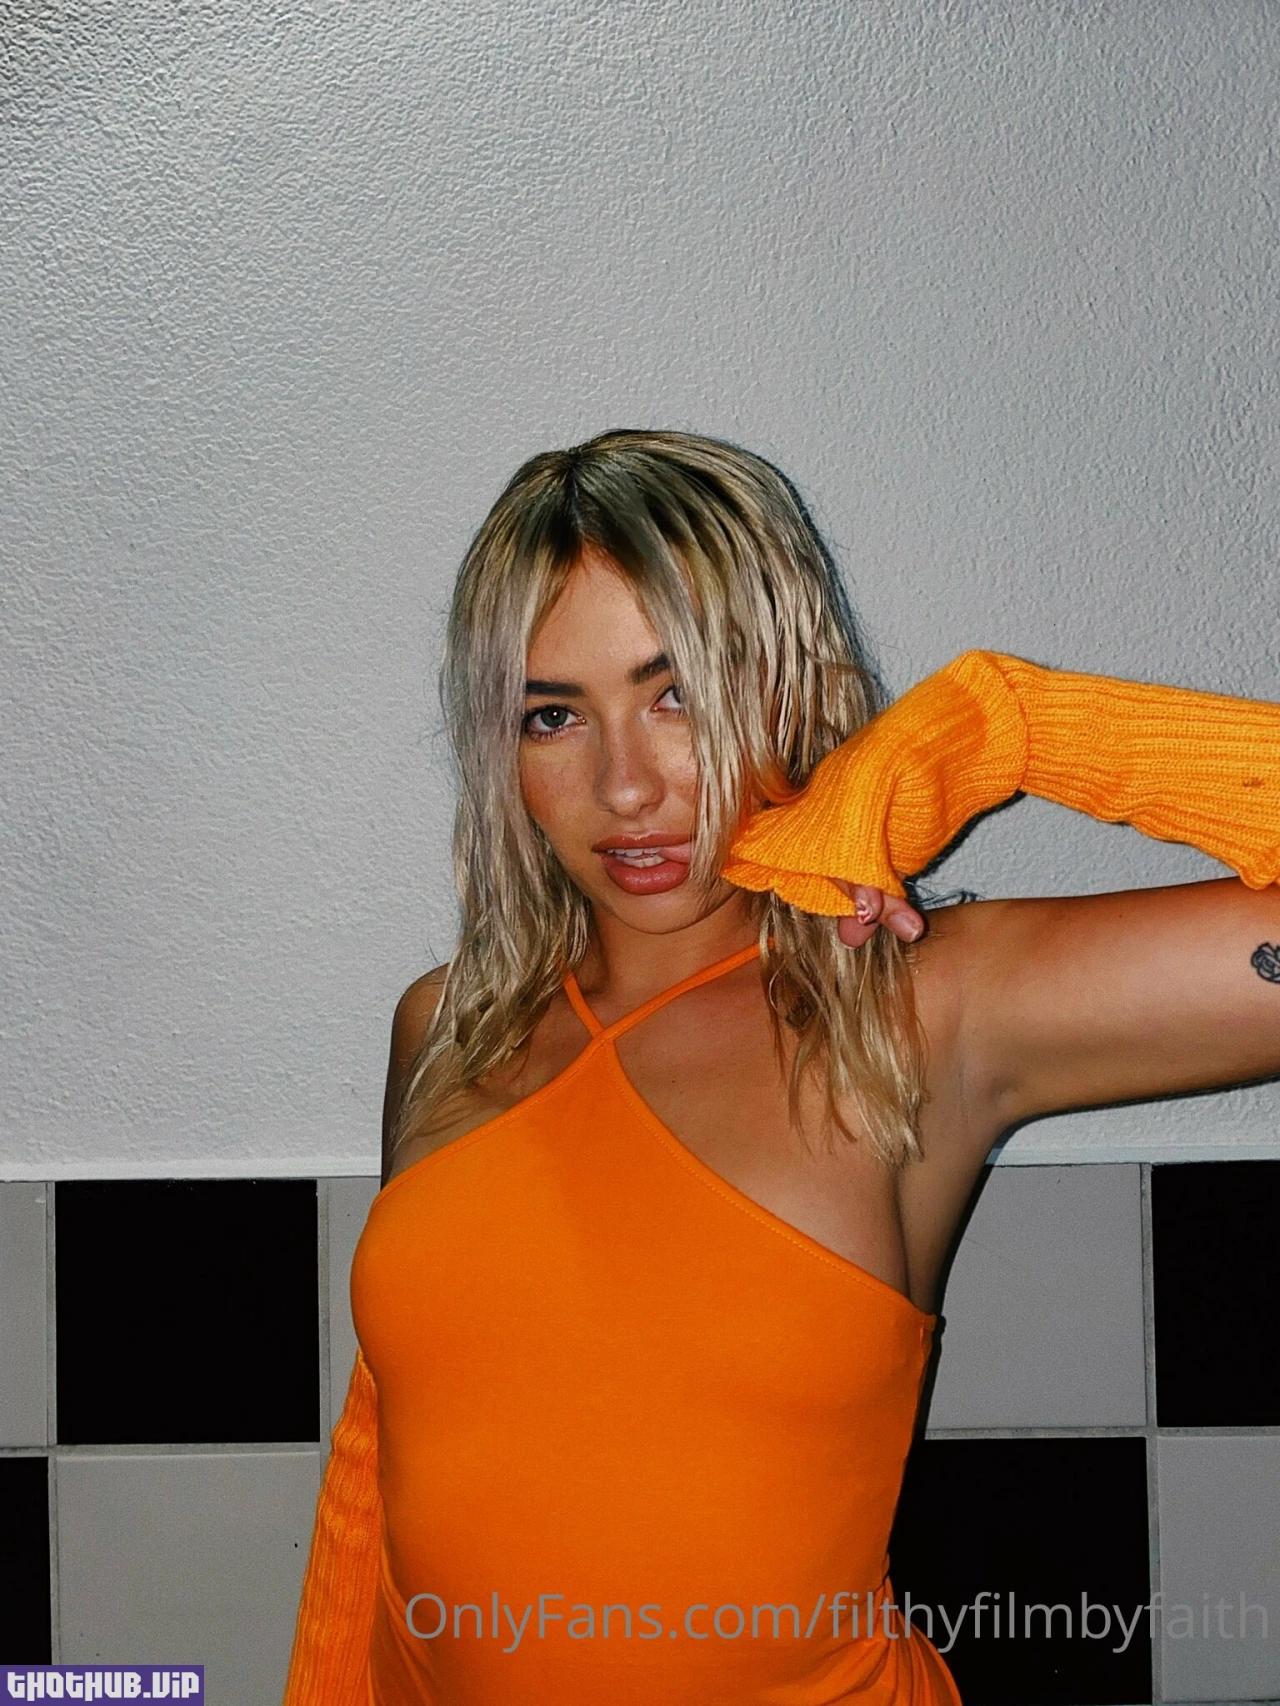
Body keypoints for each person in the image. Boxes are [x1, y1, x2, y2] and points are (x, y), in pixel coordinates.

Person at [284, 429, 1280, 1705]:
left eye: (677, 694)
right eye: (553, 715)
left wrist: (1005, 727)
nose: (624, 786)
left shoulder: (919, 1006)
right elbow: (383, 1508)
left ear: (784, 689)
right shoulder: (446, 1025)